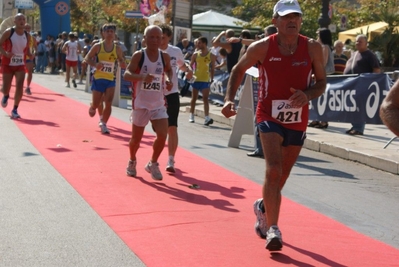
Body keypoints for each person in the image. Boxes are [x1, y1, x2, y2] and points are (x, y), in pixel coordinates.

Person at [221, 0, 326, 251]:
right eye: (286, 17)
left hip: (297, 117)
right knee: (274, 169)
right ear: (275, 21)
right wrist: (228, 100)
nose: (292, 21)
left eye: (296, 17)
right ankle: (273, 228)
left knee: (284, 173)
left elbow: (322, 82)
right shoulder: (261, 47)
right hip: (268, 114)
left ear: (301, 20)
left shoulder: (312, 47)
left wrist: (307, 94)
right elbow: (238, 69)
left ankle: (263, 207)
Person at [123, 25, 173, 180]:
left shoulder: (164, 56)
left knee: (163, 134)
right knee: (136, 140)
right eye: (151, 37)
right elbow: (127, 74)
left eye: (158, 37)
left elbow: (169, 70)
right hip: (141, 103)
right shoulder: (139, 55)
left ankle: (153, 163)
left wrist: (169, 79)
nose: (155, 40)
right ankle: (132, 160)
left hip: (158, 103)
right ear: (144, 39)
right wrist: (142, 77)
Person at [159, 23, 193, 173]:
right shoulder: (150, 51)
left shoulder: (175, 51)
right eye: (158, 38)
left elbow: (182, 66)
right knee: (160, 130)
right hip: (154, 95)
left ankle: (171, 159)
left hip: (171, 93)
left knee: (172, 128)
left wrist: (189, 70)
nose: (160, 41)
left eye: (163, 38)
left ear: (169, 37)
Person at [84, 23, 126, 135]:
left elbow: (121, 60)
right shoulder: (98, 46)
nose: (109, 33)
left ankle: (103, 123)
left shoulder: (117, 48)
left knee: (108, 103)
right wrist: (95, 64)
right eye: (107, 31)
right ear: (103, 33)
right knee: (96, 104)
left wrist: (122, 63)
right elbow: (87, 58)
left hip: (110, 78)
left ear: (114, 34)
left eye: (112, 31)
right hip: (98, 78)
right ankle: (93, 106)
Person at [247, 25, 277, 159]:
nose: (262, 38)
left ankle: (261, 149)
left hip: (267, 93)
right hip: (279, 94)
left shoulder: (265, 49)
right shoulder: (286, 48)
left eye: (264, 35)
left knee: (260, 120)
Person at [343, 34, 381, 135]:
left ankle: (359, 128)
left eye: (360, 42)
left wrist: (370, 83)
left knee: (359, 106)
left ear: (366, 43)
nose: (357, 43)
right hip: (351, 84)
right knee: (352, 106)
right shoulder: (354, 54)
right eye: (356, 41)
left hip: (362, 85)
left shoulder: (370, 55)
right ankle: (354, 126)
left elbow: (376, 70)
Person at [0, 13, 32, 119]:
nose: (22, 21)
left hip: (20, 64)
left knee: (19, 85)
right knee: (6, 87)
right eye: (19, 19)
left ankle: (15, 109)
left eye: (23, 19)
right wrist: (5, 53)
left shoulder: (27, 35)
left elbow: (26, 48)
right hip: (7, 63)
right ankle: (6, 95)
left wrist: (30, 53)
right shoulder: (9, 32)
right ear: (15, 21)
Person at [308, 28, 333, 129]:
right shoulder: (321, 47)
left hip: (324, 76)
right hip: (320, 75)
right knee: (316, 99)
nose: (317, 37)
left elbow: (323, 63)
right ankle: (316, 119)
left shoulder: (325, 47)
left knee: (322, 98)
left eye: (318, 35)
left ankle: (323, 120)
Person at [189, 36, 216, 125]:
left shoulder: (211, 55)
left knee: (205, 99)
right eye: (198, 43)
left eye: (200, 43)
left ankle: (207, 117)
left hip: (205, 80)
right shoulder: (195, 54)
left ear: (204, 43)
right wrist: (189, 73)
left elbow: (212, 68)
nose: (198, 44)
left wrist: (212, 79)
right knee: (194, 98)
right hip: (196, 79)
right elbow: (190, 65)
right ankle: (191, 115)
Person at [24, 23, 37, 95]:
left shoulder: (33, 38)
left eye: (28, 28)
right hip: (20, 57)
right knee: (19, 73)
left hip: (29, 57)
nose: (27, 29)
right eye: (26, 28)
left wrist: (34, 53)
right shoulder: (19, 36)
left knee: (30, 72)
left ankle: (28, 87)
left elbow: (35, 47)